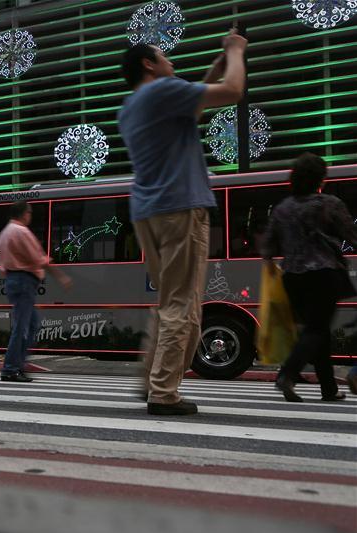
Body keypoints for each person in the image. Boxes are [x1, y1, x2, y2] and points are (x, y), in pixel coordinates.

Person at [118, 29, 247, 416]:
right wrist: (236, 52)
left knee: (169, 301)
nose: (171, 62)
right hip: (180, 207)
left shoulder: (133, 105)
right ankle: (163, 392)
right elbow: (233, 91)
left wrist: (214, 67)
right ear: (149, 64)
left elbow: (192, 109)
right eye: (165, 56)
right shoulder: (162, 91)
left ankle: (152, 380)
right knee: (182, 305)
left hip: (148, 212)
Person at [262, 153, 357, 402]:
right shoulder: (329, 204)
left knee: (317, 329)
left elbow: (268, 246)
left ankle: (329, 389)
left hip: (292, 277)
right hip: (324, 274)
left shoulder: (283, 208)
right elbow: (351, 233)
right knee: (317, 328)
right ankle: (287, 375)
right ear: (321, 178)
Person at [0, 200, 72, 382]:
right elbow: (39, 259)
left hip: (13, 279)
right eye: (29, 212)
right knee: (23, 327)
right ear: (23, 213)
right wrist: (61, 276)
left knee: (30, 325)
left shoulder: (5, 233)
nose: (30, 216)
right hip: (24, 280)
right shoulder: (21, 232)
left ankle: (16, 365)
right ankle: (11, 368)